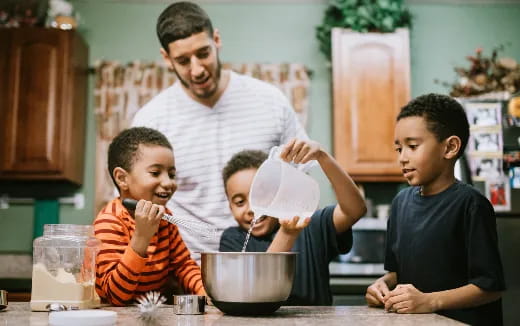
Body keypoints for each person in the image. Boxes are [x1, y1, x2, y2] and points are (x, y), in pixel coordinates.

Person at [131, 1, 309, 263]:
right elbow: (136, 199)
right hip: (187, 267)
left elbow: (302, 174)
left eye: (203, 53)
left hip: (263, 260)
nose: (197, 69)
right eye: (183, 60)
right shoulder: (151, 119)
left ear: (216, 40)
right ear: (167, 59)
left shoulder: (270, 100)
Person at [365, 94, 506, 325]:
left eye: (412, 146)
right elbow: (398, 273)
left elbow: (490, 287)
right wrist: (382, 285)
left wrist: (429, 302)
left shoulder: (471, 205)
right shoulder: (400, 204)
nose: (402, 157)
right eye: (398, 149)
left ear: (450, 147)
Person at [219, 138, 367, 305]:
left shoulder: (311, 224)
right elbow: (255, 289)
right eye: (239, 202)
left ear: (279, 191)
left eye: (260, 194)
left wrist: (323, 157)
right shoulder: (232, 240)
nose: (251, 208)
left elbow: (355, 209)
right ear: (230, 207)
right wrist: (287, 233)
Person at [94, 127, 205, 306]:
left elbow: (183, 266)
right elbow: (116, 296)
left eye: (171, 174)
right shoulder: (109, 222)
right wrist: (142, 236)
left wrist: (206, 293)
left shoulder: (165, 219)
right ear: (122, 178)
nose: (169, 183)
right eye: (155, 173)